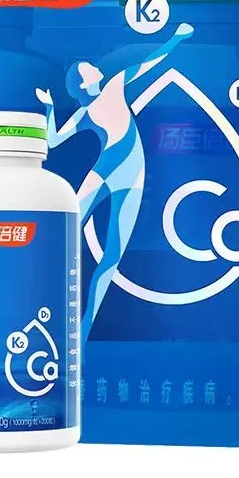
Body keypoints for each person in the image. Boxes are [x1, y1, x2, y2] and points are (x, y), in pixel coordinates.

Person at [36, 23, 194, 341]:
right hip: (106, 171)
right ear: (85, 82)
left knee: (110, 260)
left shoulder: (115, 85)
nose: (95, 66)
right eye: (88, 68)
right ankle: (41, 302)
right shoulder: (90, 108)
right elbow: (52, 141)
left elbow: (151, 62)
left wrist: (175, 39)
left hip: (132, 178)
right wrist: (49, 107)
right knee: (66, 233)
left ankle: (82, 332)